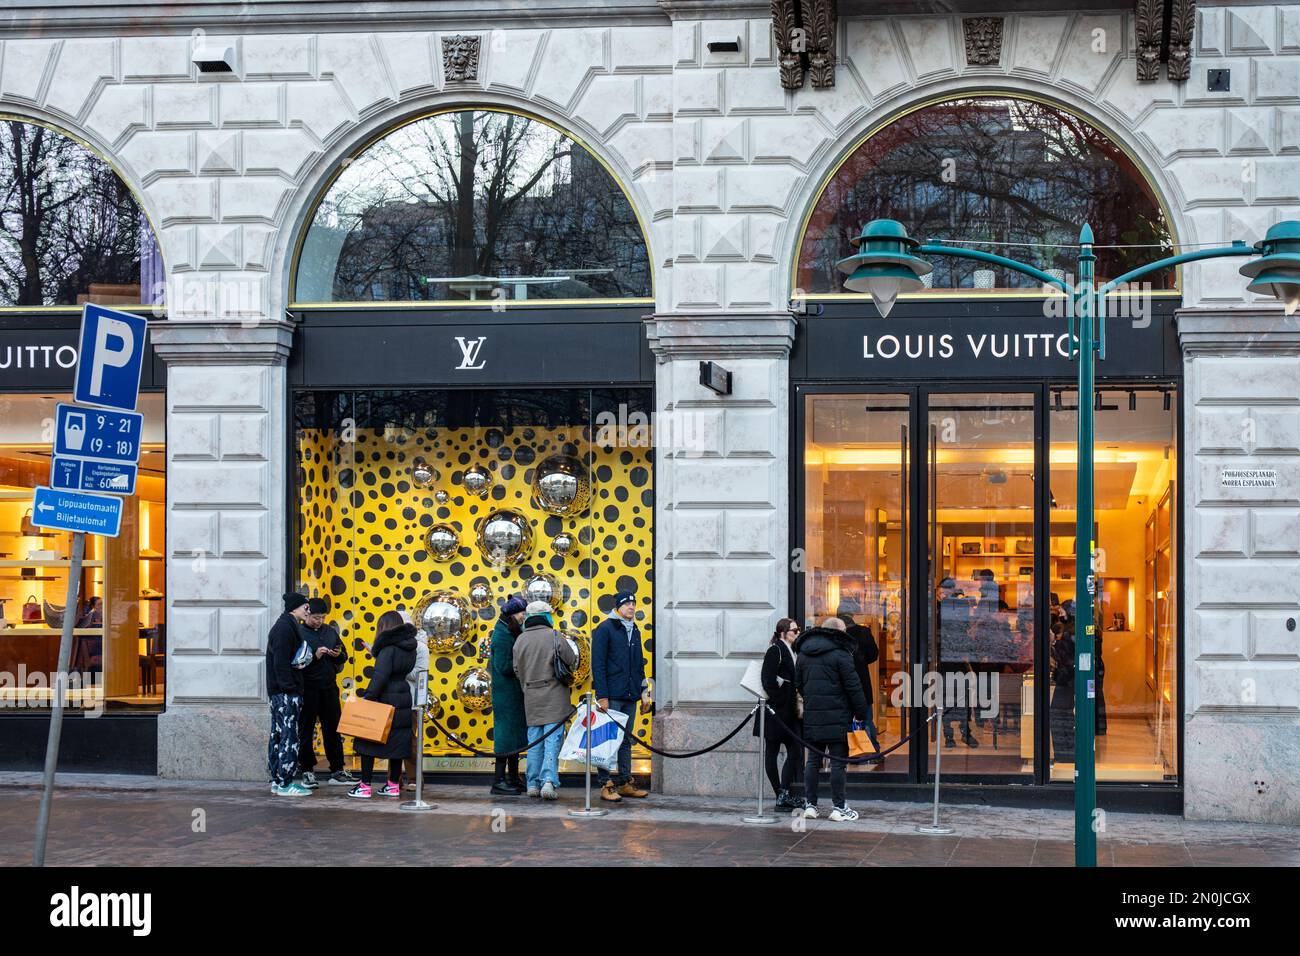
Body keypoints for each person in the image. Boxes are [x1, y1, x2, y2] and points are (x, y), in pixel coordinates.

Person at [794, 617, 868, 822]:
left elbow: (798, 684)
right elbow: (854, 687)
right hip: (839, 715)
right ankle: (839, 807)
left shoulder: (803, 654)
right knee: (837, 763)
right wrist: (861, 712)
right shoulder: (841, 654)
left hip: (813, 715)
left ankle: (811, 805)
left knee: (813, 761)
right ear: (837, 632)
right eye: (844, 631)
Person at [511, 600, 578, 800]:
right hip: (554, 696)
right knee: (552, 740)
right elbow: (571, 660)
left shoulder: (520, 640)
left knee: (534, 741)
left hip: (531, 697)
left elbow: (516, 669)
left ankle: (532, 783)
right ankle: (548, 781)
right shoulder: (554, 635)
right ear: (546, 616)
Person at [348, 610, 418, 799]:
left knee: (365, 742)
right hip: (403, 695)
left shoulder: (388, 649)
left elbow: (379, 677)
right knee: (398, 743)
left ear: (383, 627)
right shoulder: (410, 647)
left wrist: (367, 698)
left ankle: (364, 786)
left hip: (385, 696)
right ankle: (393, 785)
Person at [590, 590, 649, 803]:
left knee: (625, 740)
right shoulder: (605, 629)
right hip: (612, 695)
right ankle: (605, 783)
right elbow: (598, 664)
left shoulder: (635, 630)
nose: (631, 607)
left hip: (630, 695)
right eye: (627, 604)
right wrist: (602, 696)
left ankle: (625, 782)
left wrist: (644, 693)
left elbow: (639, 664)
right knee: (607, 740)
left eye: (634, 603)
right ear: (618, 607)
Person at [296, 596, 354, 788]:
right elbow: (295, 663)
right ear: (307, 615)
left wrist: (338, 655)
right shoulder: (298, 633)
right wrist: (315, 656)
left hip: (329, 687)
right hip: (307, 688)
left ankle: (337, 769)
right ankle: (306, 770)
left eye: (322, 617)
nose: (319, 621)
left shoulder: (329, 631)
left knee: (333, 728)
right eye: (316, 617)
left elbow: (344, 654)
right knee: (306, 729)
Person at [267, 592, 315, 797]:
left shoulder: (285, 626)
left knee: (279, 736)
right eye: (306, 607)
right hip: (286, 693)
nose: (308, 610)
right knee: (288, 737)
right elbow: (281, 662)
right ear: (295, 607)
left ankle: (278, 781)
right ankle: (286, 783)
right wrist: (291, 689)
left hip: (281, 692)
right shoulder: (285, 628)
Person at [753, 617, 803, 810]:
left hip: (787, 713)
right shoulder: (776, 650)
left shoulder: (792, 650)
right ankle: (780, 794)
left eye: (798, 630)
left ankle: (783, 793)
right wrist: (782, 695)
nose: (797, 633)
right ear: (783, 632)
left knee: (795, 752)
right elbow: (767, 680)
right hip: (775, 712)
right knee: (772, 752)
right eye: (794, 630)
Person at [488, 595, 529, 796]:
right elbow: (503, 666)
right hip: (506, 695)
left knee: (514, 737)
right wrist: (523, 665)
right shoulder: (502, 635)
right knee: (505, 737)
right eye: (522, 613)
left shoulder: (510, 630)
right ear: (513, 614)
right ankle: (498, 781)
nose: (524, 616)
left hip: (513, 694)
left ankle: (513, 777)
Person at [837, 604, 880, 753]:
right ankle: (872, 751)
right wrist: (861, 663)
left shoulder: (835, 634)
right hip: (861, 681)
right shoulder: (864, 632)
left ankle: (848, 752)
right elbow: (874, 654)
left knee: (844, 720)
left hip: (840, 684)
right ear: (853, 615)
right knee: (866, 719)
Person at [403, 609, 430, 790]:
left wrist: (396, 667)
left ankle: (414, 778)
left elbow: (421, 674)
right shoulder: (397, 646)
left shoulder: (420, 647)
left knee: (410, 740)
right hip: (395, 697)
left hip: (411, 699)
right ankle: (393, 779)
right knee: (393, 740)